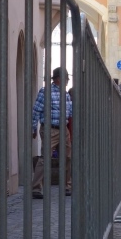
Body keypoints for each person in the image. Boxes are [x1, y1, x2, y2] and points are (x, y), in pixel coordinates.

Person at [31, 67, 73, 198]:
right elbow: (36, 111)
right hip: (50, 129)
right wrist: (33, 128)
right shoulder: (45, 92)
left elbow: (70, 112)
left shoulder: (66, 94)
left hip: (63, 129)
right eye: (66, 78)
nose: (67, 81)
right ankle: (36, 188)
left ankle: (67, 186)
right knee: (45, 159)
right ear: (59, 79)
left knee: (67, 158)